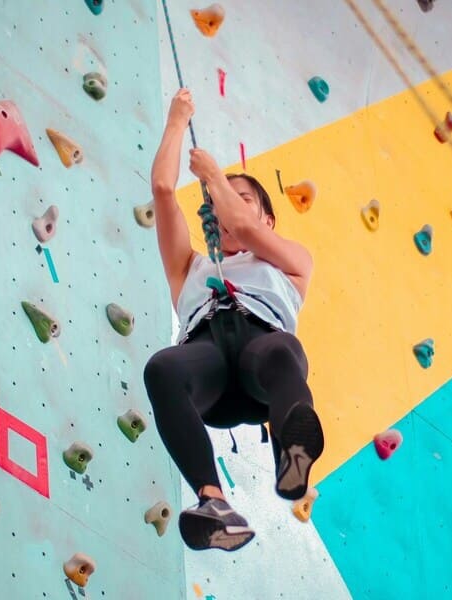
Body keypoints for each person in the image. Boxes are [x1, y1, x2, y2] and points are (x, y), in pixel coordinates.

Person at [143, 88, 325, 552]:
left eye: (242, 200)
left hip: (262, 360)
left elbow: (243, 227)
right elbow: (164, 190)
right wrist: (177, 120)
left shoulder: (290, 261)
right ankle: (212, 501)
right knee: (162, 368)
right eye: (217, 205)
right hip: (210, 371)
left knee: (279, 350)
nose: (223, 211)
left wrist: (214, 177)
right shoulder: (191, 268)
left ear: (268, 217)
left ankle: (293, 450)